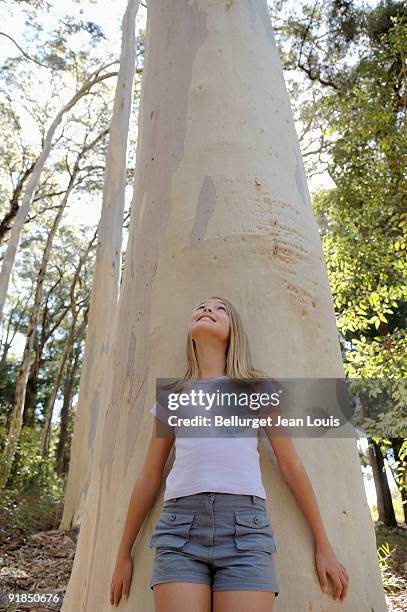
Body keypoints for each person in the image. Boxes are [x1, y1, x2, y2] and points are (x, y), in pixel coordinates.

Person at [110, 296, 349, 610]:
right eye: (201, 306)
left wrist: (324, 544)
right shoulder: (173, 394)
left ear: (234, 330)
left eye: (219, 308)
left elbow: (290, 466)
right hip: (180, 530)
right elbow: (149, 477)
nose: (207, 309)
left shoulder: (258, 388)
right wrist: (123, 555)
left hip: (245, 532)